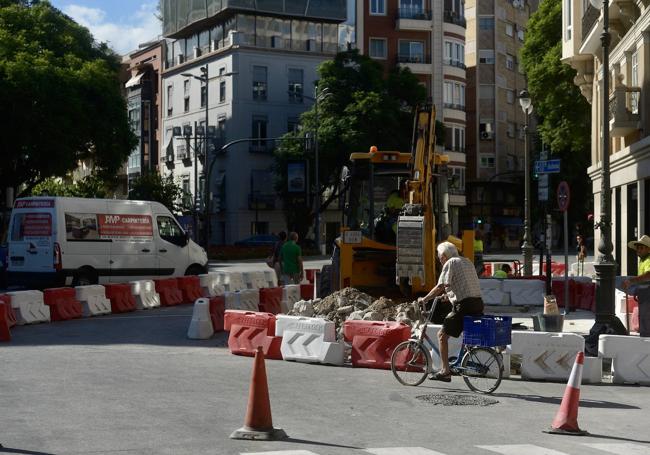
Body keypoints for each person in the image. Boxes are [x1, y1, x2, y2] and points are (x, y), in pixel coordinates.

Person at [418, 241, 484, 382]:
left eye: (439, 257)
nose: (439, 260)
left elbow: (440, 286)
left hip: (464, 306)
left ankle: (445, 371)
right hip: (478, 304)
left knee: (442, 335)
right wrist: (448, 296)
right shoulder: (466, 261)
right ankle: (460, 360)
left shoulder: (450, 263)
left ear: (443, 256)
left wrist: (425, 299)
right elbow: (462, 285)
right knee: (458, 331)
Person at [623, 235, 650, 337]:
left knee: (646, 317)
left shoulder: (648, 259)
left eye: (641, 247)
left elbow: (648, 275)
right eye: (638, 248)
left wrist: (631, 281)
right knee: (643, 317)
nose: (638, 250)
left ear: (648, 249)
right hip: (644, 292)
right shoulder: (643, 260)